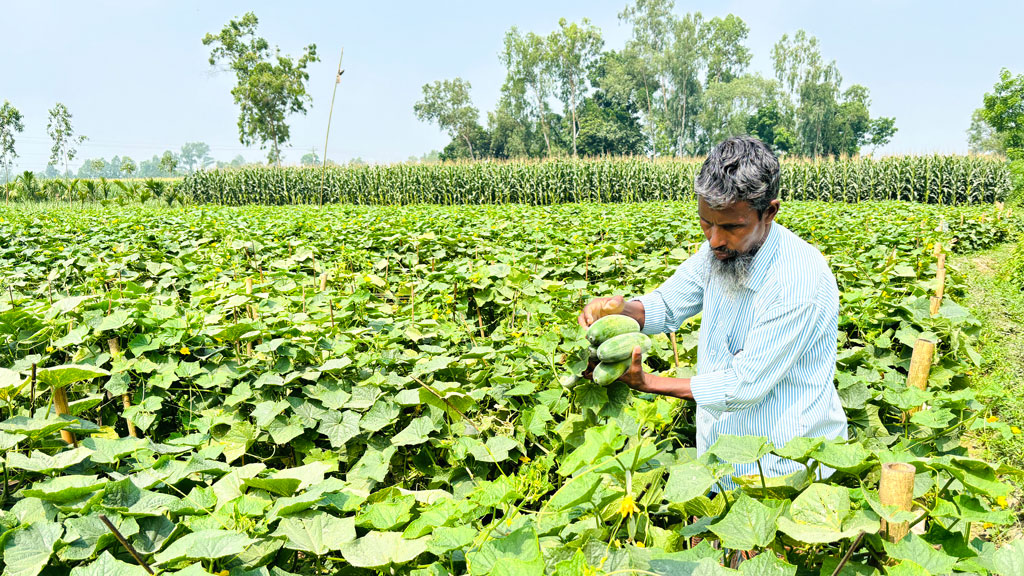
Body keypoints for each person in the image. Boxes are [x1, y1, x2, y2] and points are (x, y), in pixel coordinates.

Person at [577, 136, 847, 487]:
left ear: (770, 212)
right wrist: (620, 311)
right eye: (706, 223)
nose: (714, 239)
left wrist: (648, 382)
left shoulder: (797, 281)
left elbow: (742, 386)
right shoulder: (718, 251)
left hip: (785, 471)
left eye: (732, 227)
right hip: (721, 461)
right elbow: (668, 303)